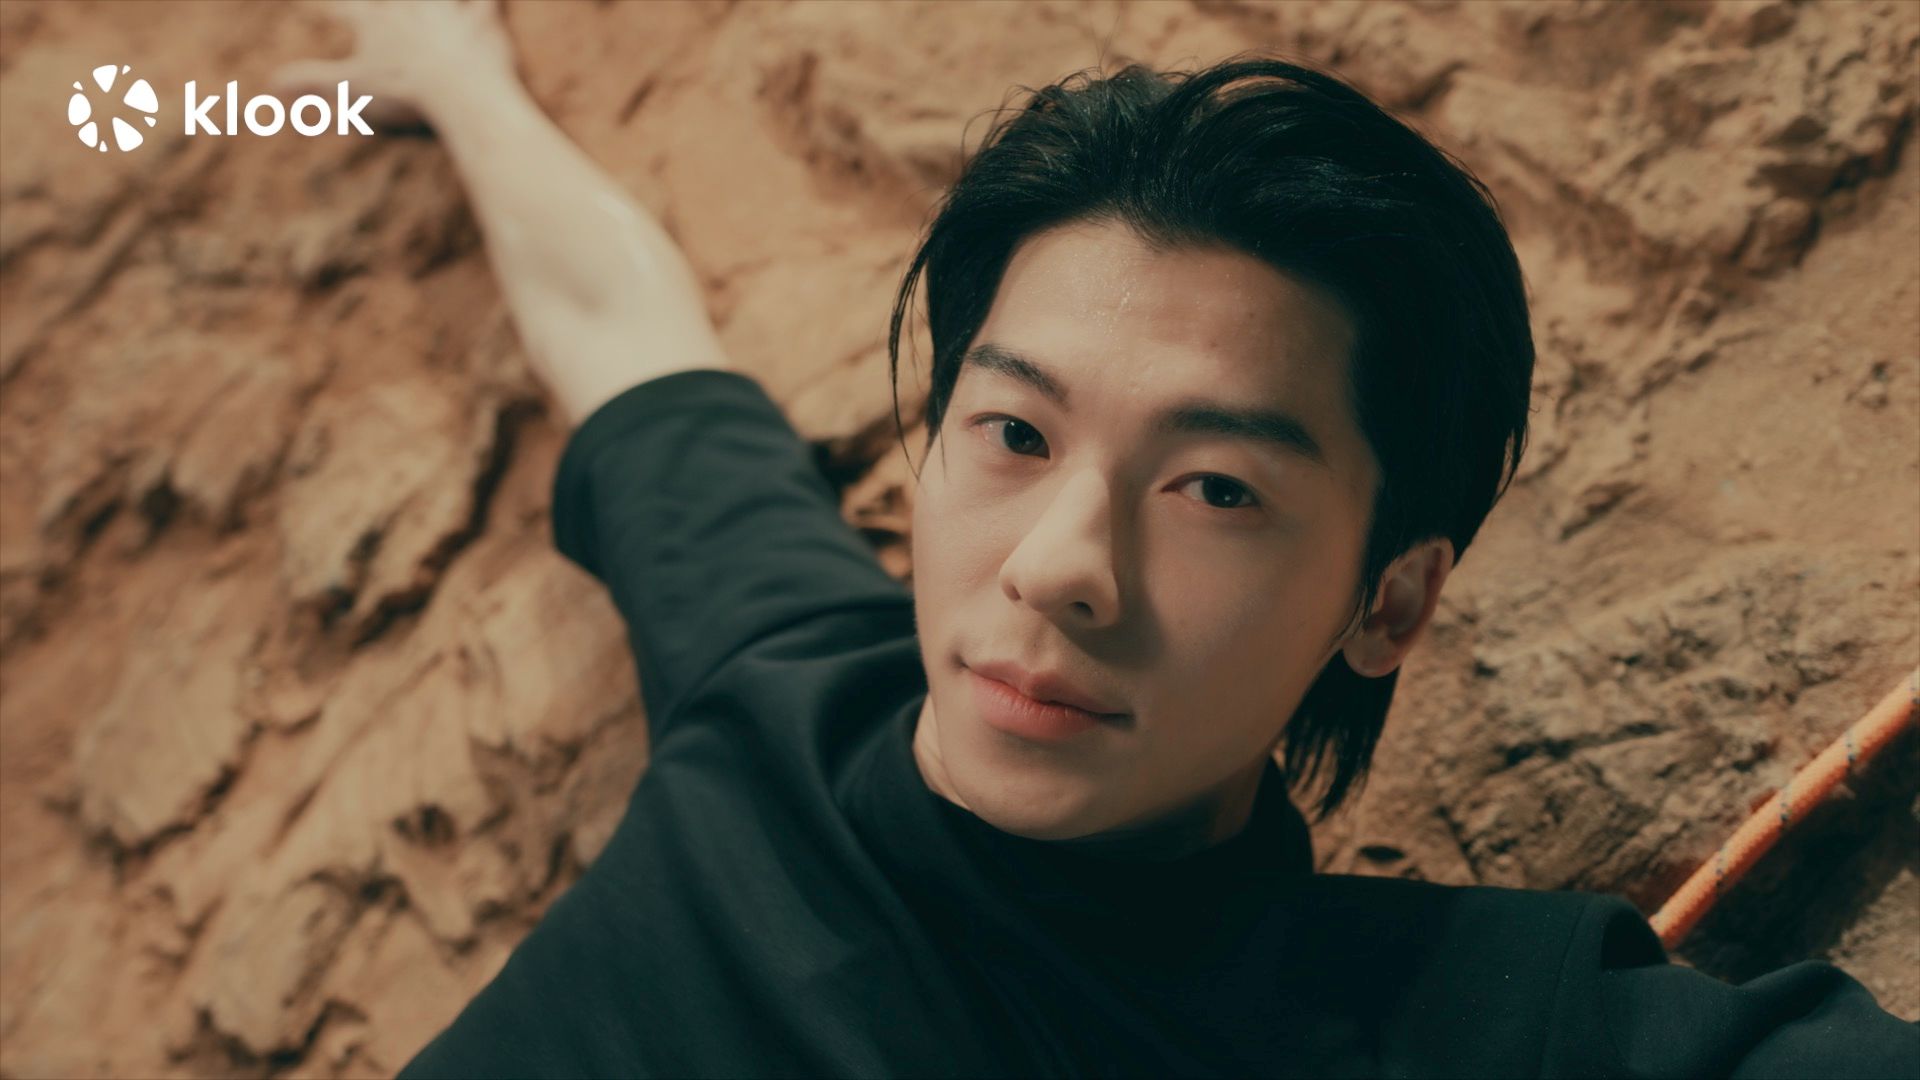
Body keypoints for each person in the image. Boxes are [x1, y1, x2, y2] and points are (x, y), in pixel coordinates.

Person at [273, 2, 1920, 1077]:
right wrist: (455, 77)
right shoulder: (786, 686)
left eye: (1216, 488)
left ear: (1392, 600)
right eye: (1016, 433)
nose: (1060, 565)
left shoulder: (1481, 1026)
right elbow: (620, 332)